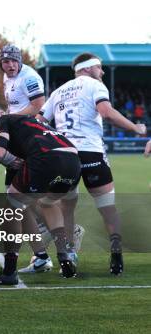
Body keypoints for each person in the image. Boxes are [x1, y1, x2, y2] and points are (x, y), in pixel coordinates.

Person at [37, 52, 147, 275]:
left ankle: (68, 257)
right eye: (99, 67)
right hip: (91, 153)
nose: (103, 71)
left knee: (66, 209)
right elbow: (106, 112)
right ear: (87, 68)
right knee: (107, 208)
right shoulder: (94, 85)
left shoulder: (58, 91)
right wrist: (136, 128)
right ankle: (116, 257)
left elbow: (39, 121)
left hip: (65, 156)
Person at [0, 108, 81, 284]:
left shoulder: (3, 120)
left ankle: (9, 271)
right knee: (48, 203)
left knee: (11, 208)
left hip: (47, 158)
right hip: (73, 160)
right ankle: (64, 255)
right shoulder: (33, 123)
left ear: (2, 113)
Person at [0, 44, 55, 274]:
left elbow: (37, 106)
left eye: (13, 61)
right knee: (16, 200)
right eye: (5, 61)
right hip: (18, 139)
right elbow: (13, 105)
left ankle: (53, 229)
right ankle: (41, 253)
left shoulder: (30, 77)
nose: (10, 65)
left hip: (29, 141)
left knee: (16, 201)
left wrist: (7, 119)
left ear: (20, 61)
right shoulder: (6, 77)